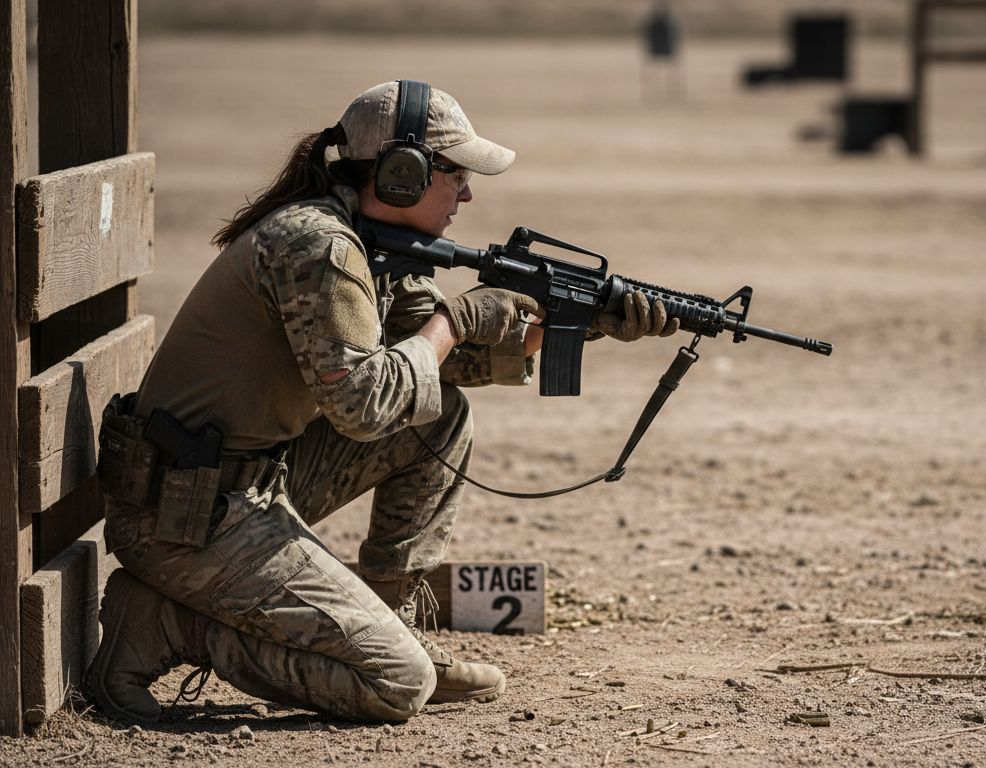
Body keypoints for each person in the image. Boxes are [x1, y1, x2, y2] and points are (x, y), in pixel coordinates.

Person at [85, 80, 677, 724]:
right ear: (402, 175)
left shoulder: (373, 249)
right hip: (182, 517)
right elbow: (365, 406)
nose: (469, 193)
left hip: (240, 485)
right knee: (397, 683)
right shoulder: (320, 247)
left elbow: (445, 370)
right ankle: (167, 625)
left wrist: (578, 325)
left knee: (439, 415)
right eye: (455, 174)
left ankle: (389, 617)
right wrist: (452, 321)